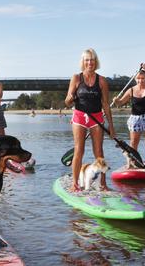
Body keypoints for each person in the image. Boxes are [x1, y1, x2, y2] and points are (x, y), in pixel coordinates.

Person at [64, 48, 115, 192]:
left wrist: (111, 126)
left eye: (92, 60)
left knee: (99, 151)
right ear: (83, 62)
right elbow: (67, 102)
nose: (90, 63)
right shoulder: (76, 78)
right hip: (79, 116)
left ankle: (103, 184)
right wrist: (70, 98)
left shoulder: (102, 81)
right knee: (79, 149)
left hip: (97, 118)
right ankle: (75, 184)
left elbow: (105, 104)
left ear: (95, 62)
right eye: (87, 60)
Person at [112, 63, 145, 169]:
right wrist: (116, 100)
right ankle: (130, 163)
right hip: (135, 118)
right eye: (138, 78)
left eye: (143, 78)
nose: (140, 80)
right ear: (135, 79)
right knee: (133, 143)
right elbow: (120, 103)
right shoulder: (131, 90)